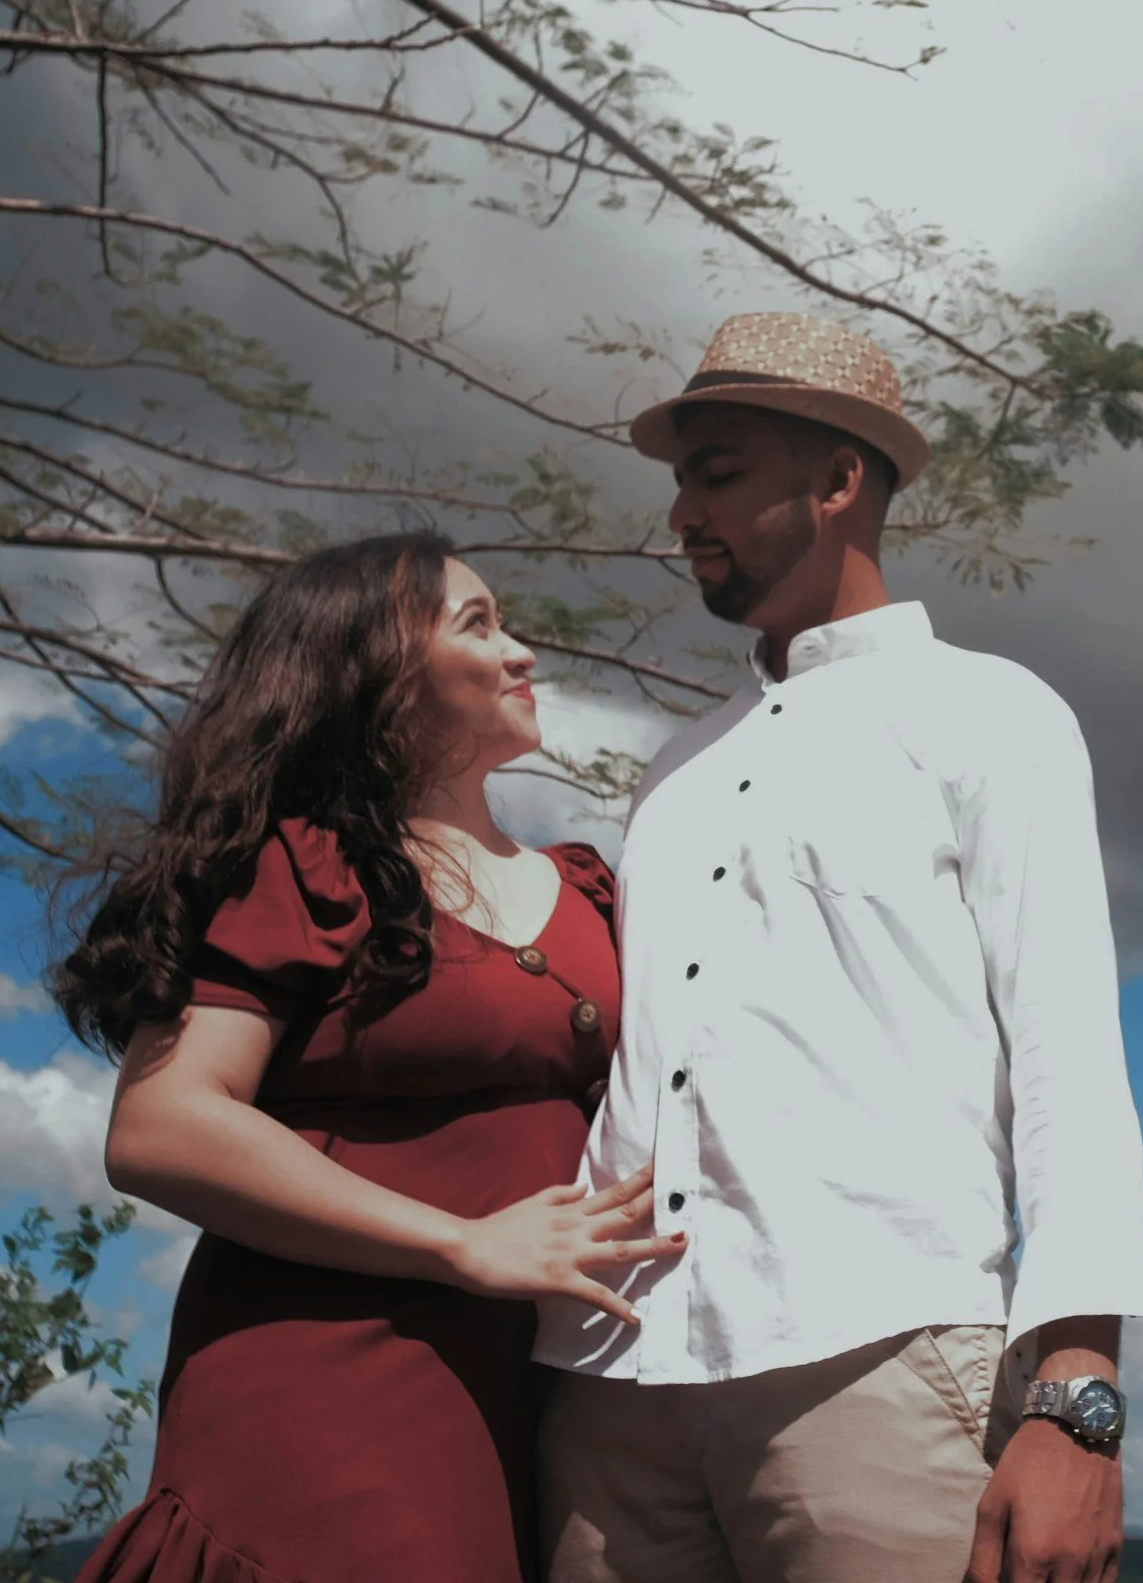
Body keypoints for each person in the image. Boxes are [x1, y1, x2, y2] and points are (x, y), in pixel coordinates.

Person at [535, 312, 1143, 1583]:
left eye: (717, 473)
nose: (681, 513)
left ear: (839, 480)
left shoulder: (989, 716)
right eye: (679, 481)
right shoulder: (669, 774)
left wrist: (1077, 1389)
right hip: (615, 1381)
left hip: (876, 1356)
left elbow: (1065, 1052)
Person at [54, 533, 686, 1583]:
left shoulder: (589, 891)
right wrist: (458, 1242)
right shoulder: (305, 866)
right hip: (331, 1371)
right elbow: (160, 1125)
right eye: (477, 625)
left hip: (545, 1386)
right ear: (378, 670)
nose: (523, 651)